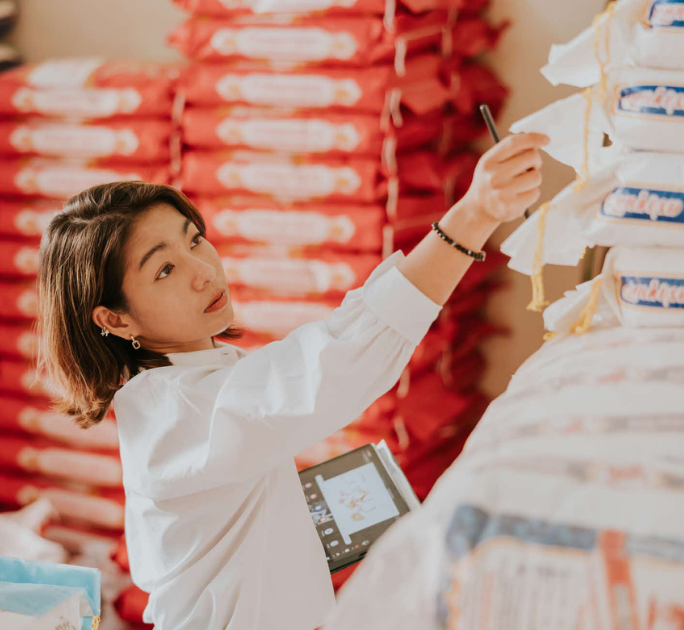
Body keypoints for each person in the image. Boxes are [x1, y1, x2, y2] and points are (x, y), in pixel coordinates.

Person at [37, 132, 548, 630]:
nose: (202, 271)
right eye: (165, 269)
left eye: (195, 241)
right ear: (116, 319)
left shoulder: (203, 377)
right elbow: (335, 361)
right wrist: (473, 215)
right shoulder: (179, 412)